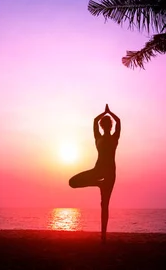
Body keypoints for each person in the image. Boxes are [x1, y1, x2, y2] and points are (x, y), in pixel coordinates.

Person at [69, 104, 121, 243]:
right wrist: (107, 113)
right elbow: (95, 122)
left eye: (106, 123)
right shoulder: (98, 137)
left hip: (109, 173)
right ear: (103, 126)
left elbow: (118, 122)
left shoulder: (115, 137)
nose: (105, 126)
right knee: (72, 182)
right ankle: (99, 184)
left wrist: (107, 113)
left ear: (108, 126)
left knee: (104, 205)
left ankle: (103, 236)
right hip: (98, 170)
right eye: (104, 124)